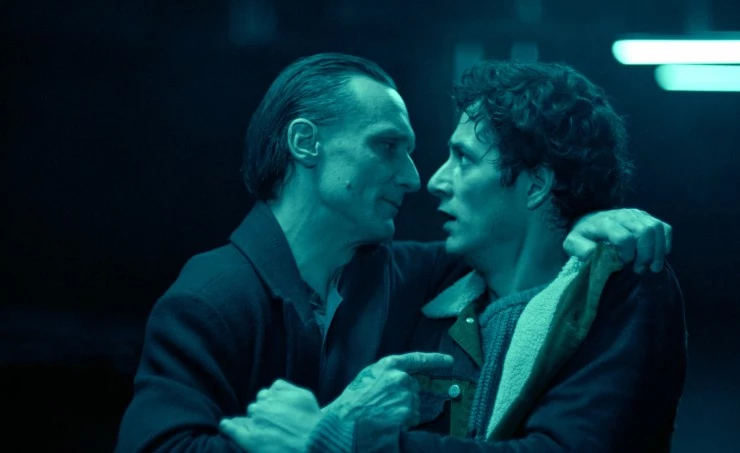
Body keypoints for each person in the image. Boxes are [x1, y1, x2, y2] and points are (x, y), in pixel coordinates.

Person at [115, 53, 674, 452]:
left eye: (459, 158)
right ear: (306, 143)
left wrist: (590, 223)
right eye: (386, 146)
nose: (417, 178)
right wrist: (319, 438)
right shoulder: (211, 297)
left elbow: (531, 252)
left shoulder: (411, 277)